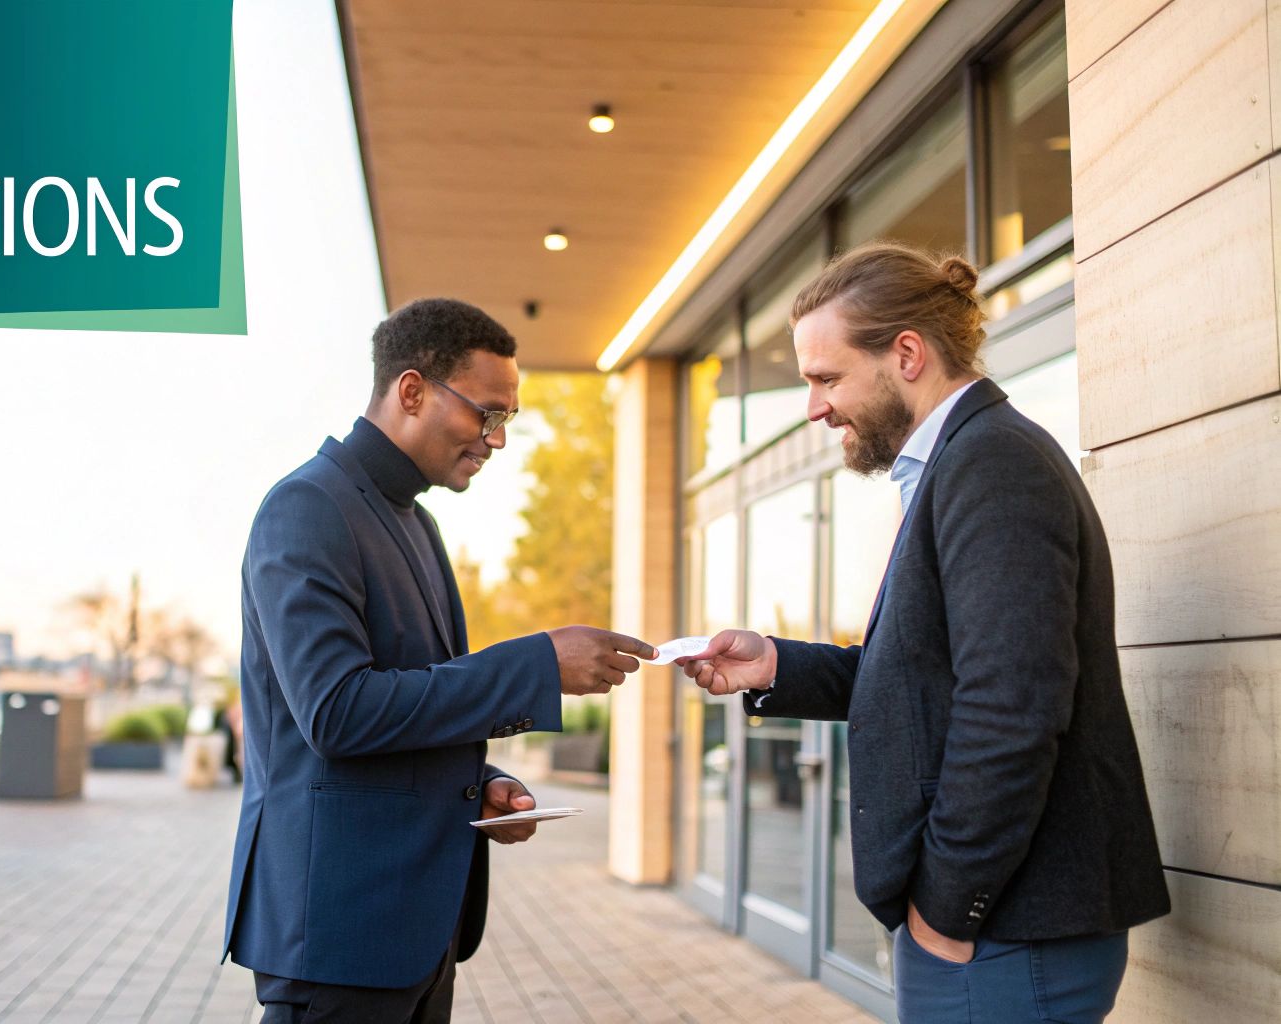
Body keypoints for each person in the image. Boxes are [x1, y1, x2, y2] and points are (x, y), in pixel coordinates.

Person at [677, 242, 1168, 1022]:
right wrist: (773, 664)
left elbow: (1011, 709)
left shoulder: (992, 463)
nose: (814, 407)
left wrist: (945, 910)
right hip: (1001, 931)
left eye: (826, 378)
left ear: (907, 353)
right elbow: (922, 677)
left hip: (1005, 933)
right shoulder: (964, 462)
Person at [223, 297, 657, 1023]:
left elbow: (407, 706)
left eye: (506, 420)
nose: (496, 440)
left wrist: (479, 783)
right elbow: (337, 714)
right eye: (487, 413)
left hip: (416, 934)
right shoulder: (306, 508)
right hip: (339, 935)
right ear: (413, 390)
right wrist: (537, 665)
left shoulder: (415, 522)